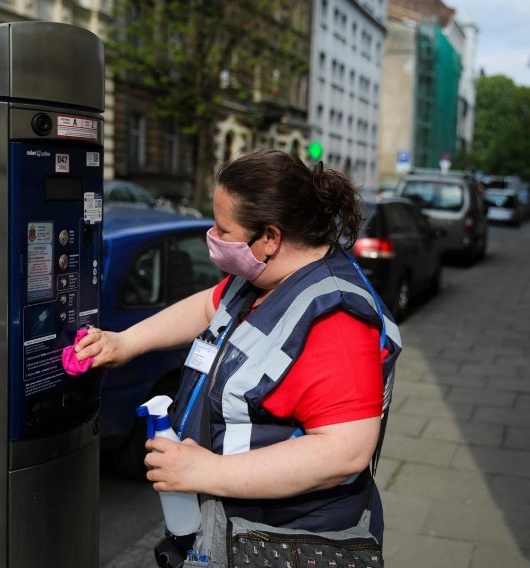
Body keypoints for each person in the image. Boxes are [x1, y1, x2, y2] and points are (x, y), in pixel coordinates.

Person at [75, 150, 401, 547]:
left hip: (286, 542)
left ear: (269, 237)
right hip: (234, 530)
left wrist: (205, 471)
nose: (212, 238)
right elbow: (207, 306)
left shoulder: (336, 318)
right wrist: (125, 342)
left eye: (223, 230)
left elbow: (344, 452)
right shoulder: (262, 276)